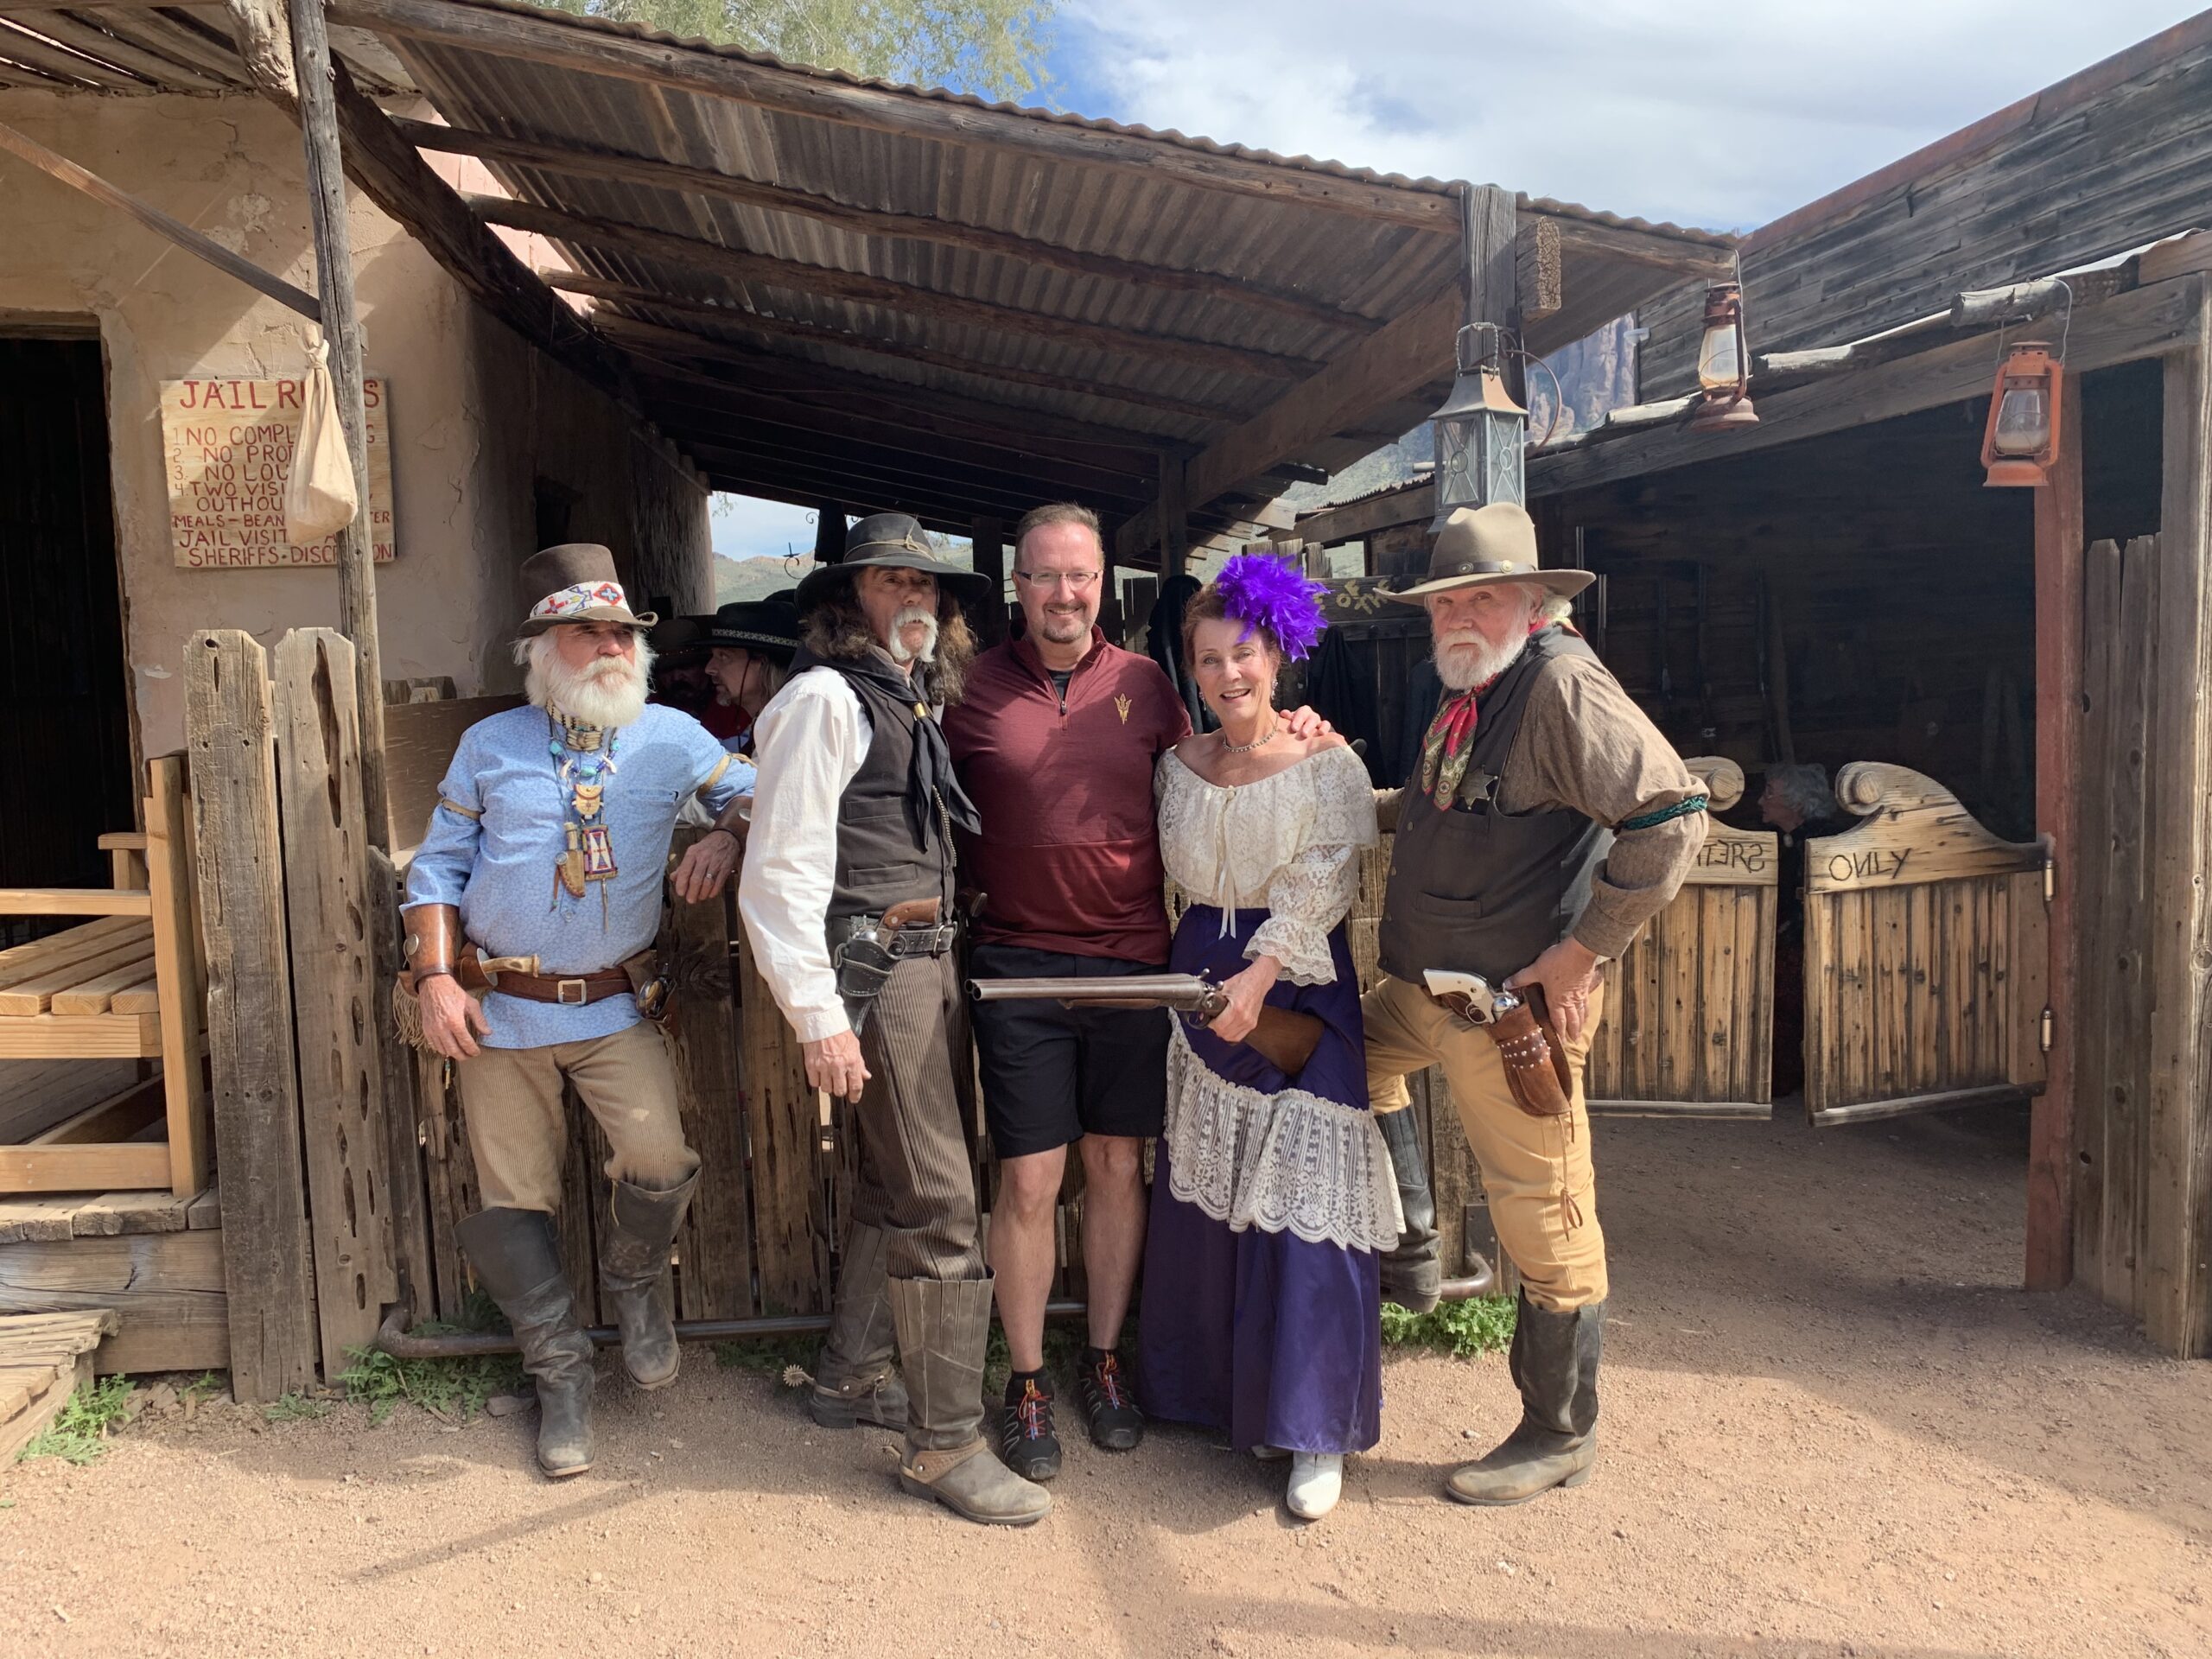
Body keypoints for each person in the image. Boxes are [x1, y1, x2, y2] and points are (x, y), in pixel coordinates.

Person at [1363, 503, 1707, 1507]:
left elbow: (1673, 817)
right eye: (1446, 601)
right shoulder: (1472, 685)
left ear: (1531, 600)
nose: (1460, 614)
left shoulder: (1558, 685)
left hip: (1504, 1013)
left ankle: (1559, 1430)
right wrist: (1318, 779)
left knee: (1545, 1220)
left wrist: (1581, 951)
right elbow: (1427, 806)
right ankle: (1412, 1244)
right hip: (1422, 991)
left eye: (1481, 596)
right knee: (1345, 1055)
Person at [402, 544, 752, 1478]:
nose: (608, 646)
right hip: (500, 1013)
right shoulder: (490, 746)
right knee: (515, 1199)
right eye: (585, 631)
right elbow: (435, 867)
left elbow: (761, 798)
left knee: (659, 1157)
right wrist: (437, 976)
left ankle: (638, 1288)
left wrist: (723, 831)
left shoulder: (672, 736)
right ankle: (559, 1377)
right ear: (541, 649)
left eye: (620, 631)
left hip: (612, 1010)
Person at [738, 513, 1052, 1527]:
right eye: (888, 583)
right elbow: (779, 871)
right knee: (941, 1206)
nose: (915, 599)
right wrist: (819, 1017)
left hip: (926, 961)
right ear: (844, 603)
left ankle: (844, 1378)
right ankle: (945, 1443)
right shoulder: (824, 698)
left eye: (927, 587)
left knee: (897, 1183)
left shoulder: (904, 698)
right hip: (874, 971)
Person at [1135, 554, 1395, 1522]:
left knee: (1303, 1198)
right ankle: (1206, 1392)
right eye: (1206, 661)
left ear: (1278, 652)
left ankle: (1312, 1427)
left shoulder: (1330, 764)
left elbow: (1325, 879)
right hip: (1194, 961)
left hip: (1298, 984)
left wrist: (1260, 976)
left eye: (1241, 654)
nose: (1226, 675)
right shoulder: (1177, 765)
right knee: (1208, 1185)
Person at [942, 503, 1191, 1479]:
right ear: (1017, 586)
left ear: (1102, 583)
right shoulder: (965, 689)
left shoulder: (1150, 687)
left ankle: (1103, 1362)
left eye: (1078, 576)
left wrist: (1301, 732)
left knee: (1119, 1166)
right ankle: (1029, 1380)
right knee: (1031, 1180)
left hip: (1134, 958)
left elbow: (1212, 774)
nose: (1062, 594)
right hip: (1016, 966)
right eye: (1043, 576)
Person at [1758, 762, 1843, 1098]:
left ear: (1795, 803)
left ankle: (1785, 1077)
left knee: (1784, 994)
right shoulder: (1790, 838)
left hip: (1813, 944)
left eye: (1769, 794)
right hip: (1794, 940)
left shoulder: (1819, 841)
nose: (1761, 802)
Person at [701, 595, 800, 754]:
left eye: (724, 656)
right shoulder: (765, 724)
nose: (709, 668)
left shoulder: (793, 728)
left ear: (762, 662)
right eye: (713, 656)